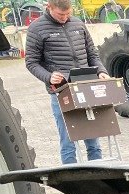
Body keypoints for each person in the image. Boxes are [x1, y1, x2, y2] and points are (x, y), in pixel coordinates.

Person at [25, 0, 110, 164]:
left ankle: (99, 172)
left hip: (85, 88)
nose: (64, 17)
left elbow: (92, 54)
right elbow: (31, 62)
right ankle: (71, 176)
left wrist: (101, 71)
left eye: (68, 13)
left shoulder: (78, 24)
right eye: (60, 14)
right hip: (61, 91)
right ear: (49, 7)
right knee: (68, 143)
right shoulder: (36, 28)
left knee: (93, 141)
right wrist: (49, 77)